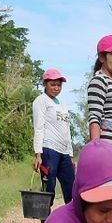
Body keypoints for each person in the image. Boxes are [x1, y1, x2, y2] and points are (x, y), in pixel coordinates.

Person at [32, 68, 74, 204]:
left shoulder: (62, 103)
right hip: (49, 150)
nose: (56, 88)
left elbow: (66, 129)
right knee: (48, 188)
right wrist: (38, 154)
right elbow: (38, 127)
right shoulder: (40, 101)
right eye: (53, 84)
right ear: (45, 84)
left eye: (59, 85)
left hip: (64, 152)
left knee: (71, 188)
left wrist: (70, 154)